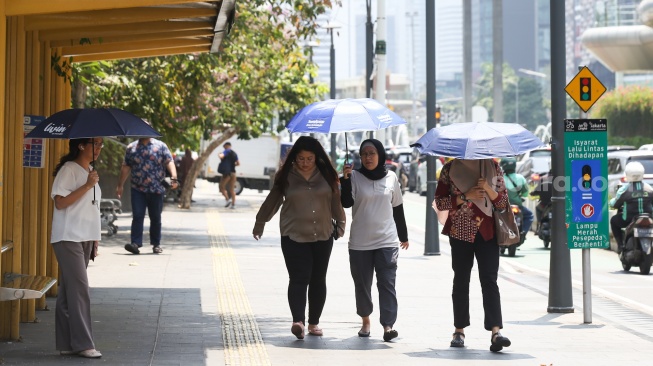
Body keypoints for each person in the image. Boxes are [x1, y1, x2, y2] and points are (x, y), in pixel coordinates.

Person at [252, 136, 345, 339]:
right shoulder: (286, 175)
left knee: (318, 278)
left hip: (323, 233)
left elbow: (335, 200)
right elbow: (273, 200)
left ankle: (313, 323)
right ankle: (298, 321)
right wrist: (260, 222)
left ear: (316, 157)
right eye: (300, 158)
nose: (304, 163)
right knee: (298, 277)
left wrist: (341, 223)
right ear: (294, 157)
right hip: (293, 234)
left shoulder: (327, 175)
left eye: (309, 158)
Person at [434, 158, 512, 352]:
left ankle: (496, 332)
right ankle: (458, 331)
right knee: (461, 280)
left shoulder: (493, 167)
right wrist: (465, 196)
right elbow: (440, 202)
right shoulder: (449, 169)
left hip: (488, 232)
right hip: (459, 231)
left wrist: (487, 187)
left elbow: (502, 202)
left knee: (489, 280)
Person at [341, 139, 409, 342]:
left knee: (387, 283)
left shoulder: (391, 178)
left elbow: (397, 207)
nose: (368, 157)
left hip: (386, 241)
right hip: (360, 242)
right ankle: (365, 320)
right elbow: (346, 203)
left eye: (372, 153)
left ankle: (388, 326)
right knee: (362, 285)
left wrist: (403, 236)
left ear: (380, 155)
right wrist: (344, 181)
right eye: (364, 154)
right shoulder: (353, 176)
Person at [50, 138, 104, 359]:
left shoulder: (90, 170)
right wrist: (86, 186)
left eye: (101, 145)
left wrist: (95, 238)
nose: (100, 149)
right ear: (82, 146)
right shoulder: (69, 170)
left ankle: (66, 343)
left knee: (68, 291)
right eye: (96, 144)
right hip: (68, 237)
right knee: (80, 289)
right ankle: (83, 344)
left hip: (84, 238)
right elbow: (60, 203)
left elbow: (91, 207)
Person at [116, 136, 178, 255]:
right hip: (137, 188)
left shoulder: (160, 146)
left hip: (157, 188)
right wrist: (120, 185)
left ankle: (156, 244)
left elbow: (169, 161)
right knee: (138, 215)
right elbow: (126, 166)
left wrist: (173, 177)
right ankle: (135, 243)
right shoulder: (131, 148)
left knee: (155, 217)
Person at [609, 162, 653, 253]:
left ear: (628, 174)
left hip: (628, 220)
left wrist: (611, 202)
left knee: (613, 220)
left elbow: (615, 204)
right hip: (649, 218)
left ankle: (620, 245)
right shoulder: (649, 189)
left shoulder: (624, 190)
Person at [499, 157, 534, 237]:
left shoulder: (499, 178)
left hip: (502, 206)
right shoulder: (520, 178)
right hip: (517, 205)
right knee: (529, 215)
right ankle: (524, 232)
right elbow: (525, 194)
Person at [219, 142, 239, 209]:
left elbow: (221, 156)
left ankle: (227, 200)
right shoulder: (234, 153)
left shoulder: (226, 151)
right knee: (232, 189)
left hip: (227, 173)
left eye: (224, 146)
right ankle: (233, 204)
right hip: (233, 173)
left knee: (221, 187)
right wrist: (232, 165)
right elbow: (238, 163)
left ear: (227, 146)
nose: (224, 148)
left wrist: (219, 154)